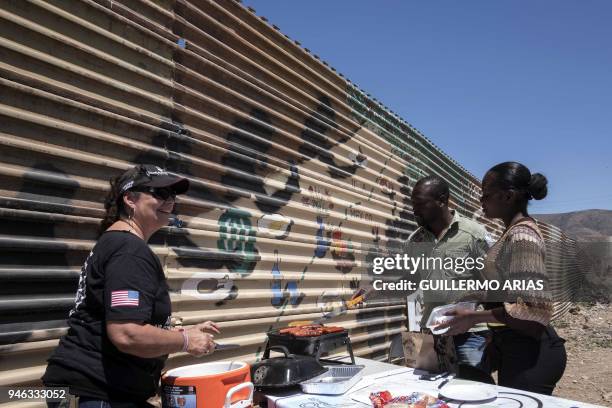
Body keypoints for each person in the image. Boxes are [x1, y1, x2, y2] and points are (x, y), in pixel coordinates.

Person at [42, 164, 219, 407]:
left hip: (96, 389)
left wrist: (177, 333)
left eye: (173, 196)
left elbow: (113, 320)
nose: (170, 202)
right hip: (97, 391)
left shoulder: (116, 244)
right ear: (130, 199)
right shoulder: (128, 251)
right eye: (160, 194)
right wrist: (186, 341)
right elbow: (126, 333)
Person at [436, 162, 567, 395]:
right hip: (517, 349)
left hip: (532, 356)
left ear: (507, 196)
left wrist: (472, 318)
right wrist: (478, 296)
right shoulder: (512, 233)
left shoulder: (522, 237)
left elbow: (534, 310)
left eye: (486, 194)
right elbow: (511, 292)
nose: (481, 201)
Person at [405, 175, 491, 380]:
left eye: (421, 204)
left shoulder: (473, 235)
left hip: (470, 336)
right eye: (413, 204)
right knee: (433, 396)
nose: (415, 210)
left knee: (473, 392)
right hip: (432, 336)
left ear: (442, 200)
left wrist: (472, 302)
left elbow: (497, 285)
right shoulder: (414, 240)